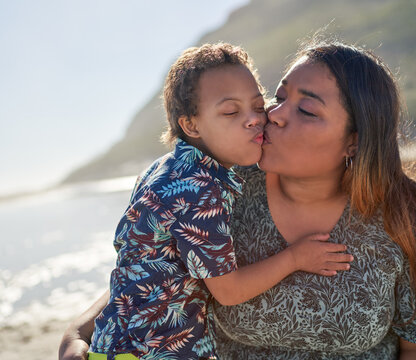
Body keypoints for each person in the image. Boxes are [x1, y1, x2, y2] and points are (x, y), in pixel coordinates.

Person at [60, 41, 416, 360]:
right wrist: (78, 333)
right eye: (278, 95)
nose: (273, 114)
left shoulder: (403, 215)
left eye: (306, 109)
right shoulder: (220, 188)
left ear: (354, 142)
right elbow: (152, 269)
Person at [73, 43, 353, 360]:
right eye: (231, 112)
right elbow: (229, 291)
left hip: (111, 343)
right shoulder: (199, 190)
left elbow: (134, 263)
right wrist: (295, 258)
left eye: (258, 106)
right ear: (191, 125)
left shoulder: (161, 170)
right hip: (155, 351)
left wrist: (78, 332)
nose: (253, 120)